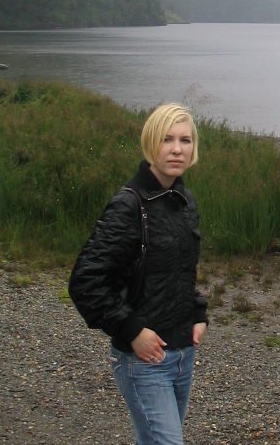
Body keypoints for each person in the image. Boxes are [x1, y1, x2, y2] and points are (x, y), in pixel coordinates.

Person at [68, 103, 208, 445]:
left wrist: (198, 311)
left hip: (182, 353)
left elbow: (180, 269)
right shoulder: (129, 205)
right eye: (167, 139)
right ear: (150, 145)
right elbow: (85, 280)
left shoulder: (184, 200)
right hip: (144, 360)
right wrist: (130, 329)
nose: (177, 148)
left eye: (185, 140)